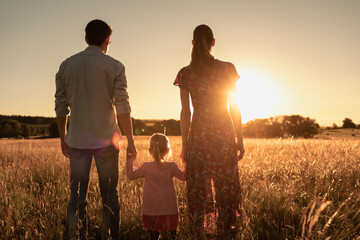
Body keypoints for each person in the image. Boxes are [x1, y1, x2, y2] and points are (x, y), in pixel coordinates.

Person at [55, 19, 137, 240]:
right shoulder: (115, 66)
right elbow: (122, 106)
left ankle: (75, 237)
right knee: (110, 198)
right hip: (107, 143)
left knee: (76, 197)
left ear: (85, 38)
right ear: (108, 39)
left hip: (77, 141)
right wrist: (131, 140)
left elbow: (61, 107)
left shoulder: (65, 66)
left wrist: (64, 137)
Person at [173, 24, 245, 239]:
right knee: (226, 186)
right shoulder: (227, 68)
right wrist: (239, 138)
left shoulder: (185, 73)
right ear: (213, 42)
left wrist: (185, 145)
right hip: (223, 133)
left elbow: (185, 113)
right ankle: (226, 232)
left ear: (193, 43)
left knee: (197, 188)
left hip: (198, 135)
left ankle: (198, 232)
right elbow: (234, 107)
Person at [126, 133, 186, 240]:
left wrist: (130, 159)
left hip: (151, 212)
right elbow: (184, 177)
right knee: (172, 237)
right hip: (170, 211)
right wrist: (186, 162)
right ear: (168, 151)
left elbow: (131, 175)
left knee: (152, 237)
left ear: (150, 151)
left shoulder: (146, 167)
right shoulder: (172, 167)